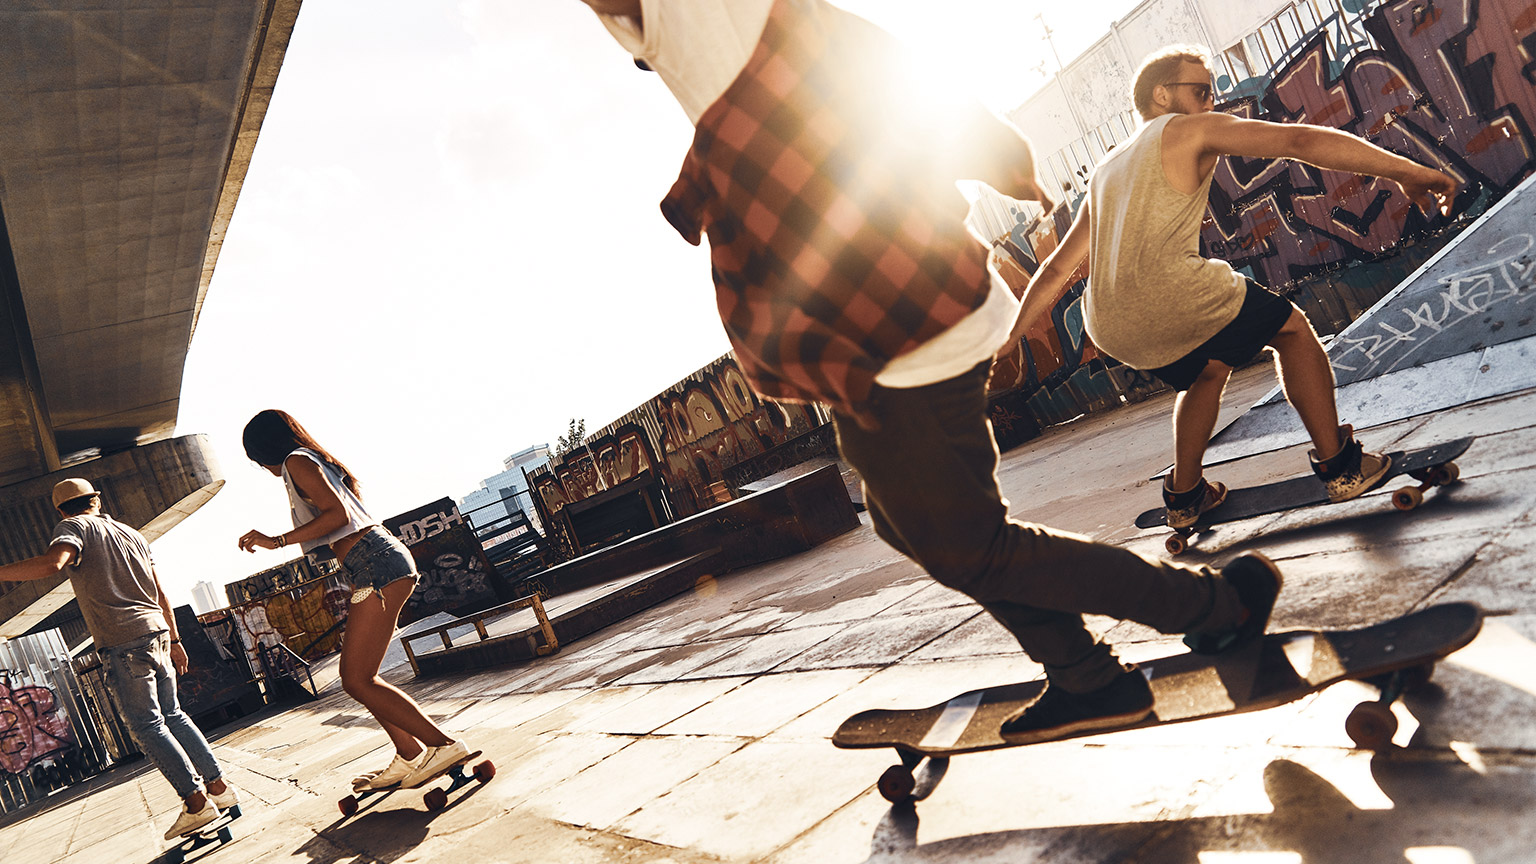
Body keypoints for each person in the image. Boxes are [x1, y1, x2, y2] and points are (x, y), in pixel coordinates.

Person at [575, 0, 1283, 741]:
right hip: (906, 314)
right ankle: (1086, 671)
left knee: (961, 542)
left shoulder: (707, 18)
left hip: (893, 325)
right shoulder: (745, 45)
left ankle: (1209, 609)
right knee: (914, 525)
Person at [1012, 45, 1459, 529]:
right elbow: (1300, 143)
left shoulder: (1105, 169)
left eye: (1213, 93)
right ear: (1162, 95)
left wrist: (1011, 335)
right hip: (1173, 292)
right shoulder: (1188, 129)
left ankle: (1184, 497)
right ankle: (1342, 466)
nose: (1212, 104)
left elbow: (1057, 270)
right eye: (1201, 92)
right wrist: (1411, 172)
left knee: (1205, 373)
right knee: (1292, 333)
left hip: (1109, 323)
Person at [237, 410, 469, 790]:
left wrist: (275, 540)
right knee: (361, 677)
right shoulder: (309, 460)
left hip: (377, 565)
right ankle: (408, 754)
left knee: (356, 679)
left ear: (266, 450)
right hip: (373, 566)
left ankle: (442, 745)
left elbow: (336, 515)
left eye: (257, 460)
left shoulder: (296, 461)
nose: (263, 468)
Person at [0, 479, 239, 840]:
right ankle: (220, 790)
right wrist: (175, 639)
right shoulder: (131, 534)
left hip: (124, 641)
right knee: (173, 715)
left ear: (61, 510)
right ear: (96, 500)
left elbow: (54, 563)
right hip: (158, 632)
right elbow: (159, 590)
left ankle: (196, 804)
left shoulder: (73, 527)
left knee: (146, 725)